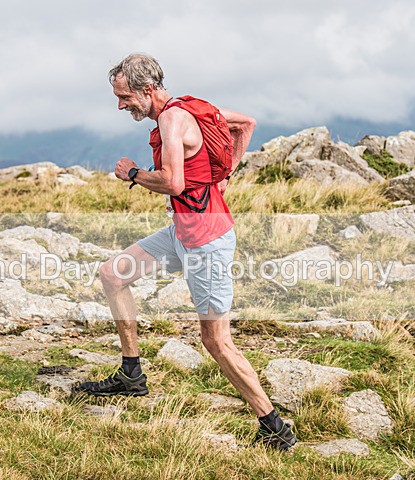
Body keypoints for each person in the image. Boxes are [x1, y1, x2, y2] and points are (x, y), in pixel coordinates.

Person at [80, 53, 296, 451]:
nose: (120, 105)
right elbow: (245, 123)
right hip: (181, 233)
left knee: (216, 342)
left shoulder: (171, 119)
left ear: (147, 90)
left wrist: (131, 174)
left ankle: (274, 428)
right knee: (113, 274)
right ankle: (131, 375)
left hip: (206, 242)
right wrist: (225, 173)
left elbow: (173, 183)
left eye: (125, 97)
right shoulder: (192, 108)